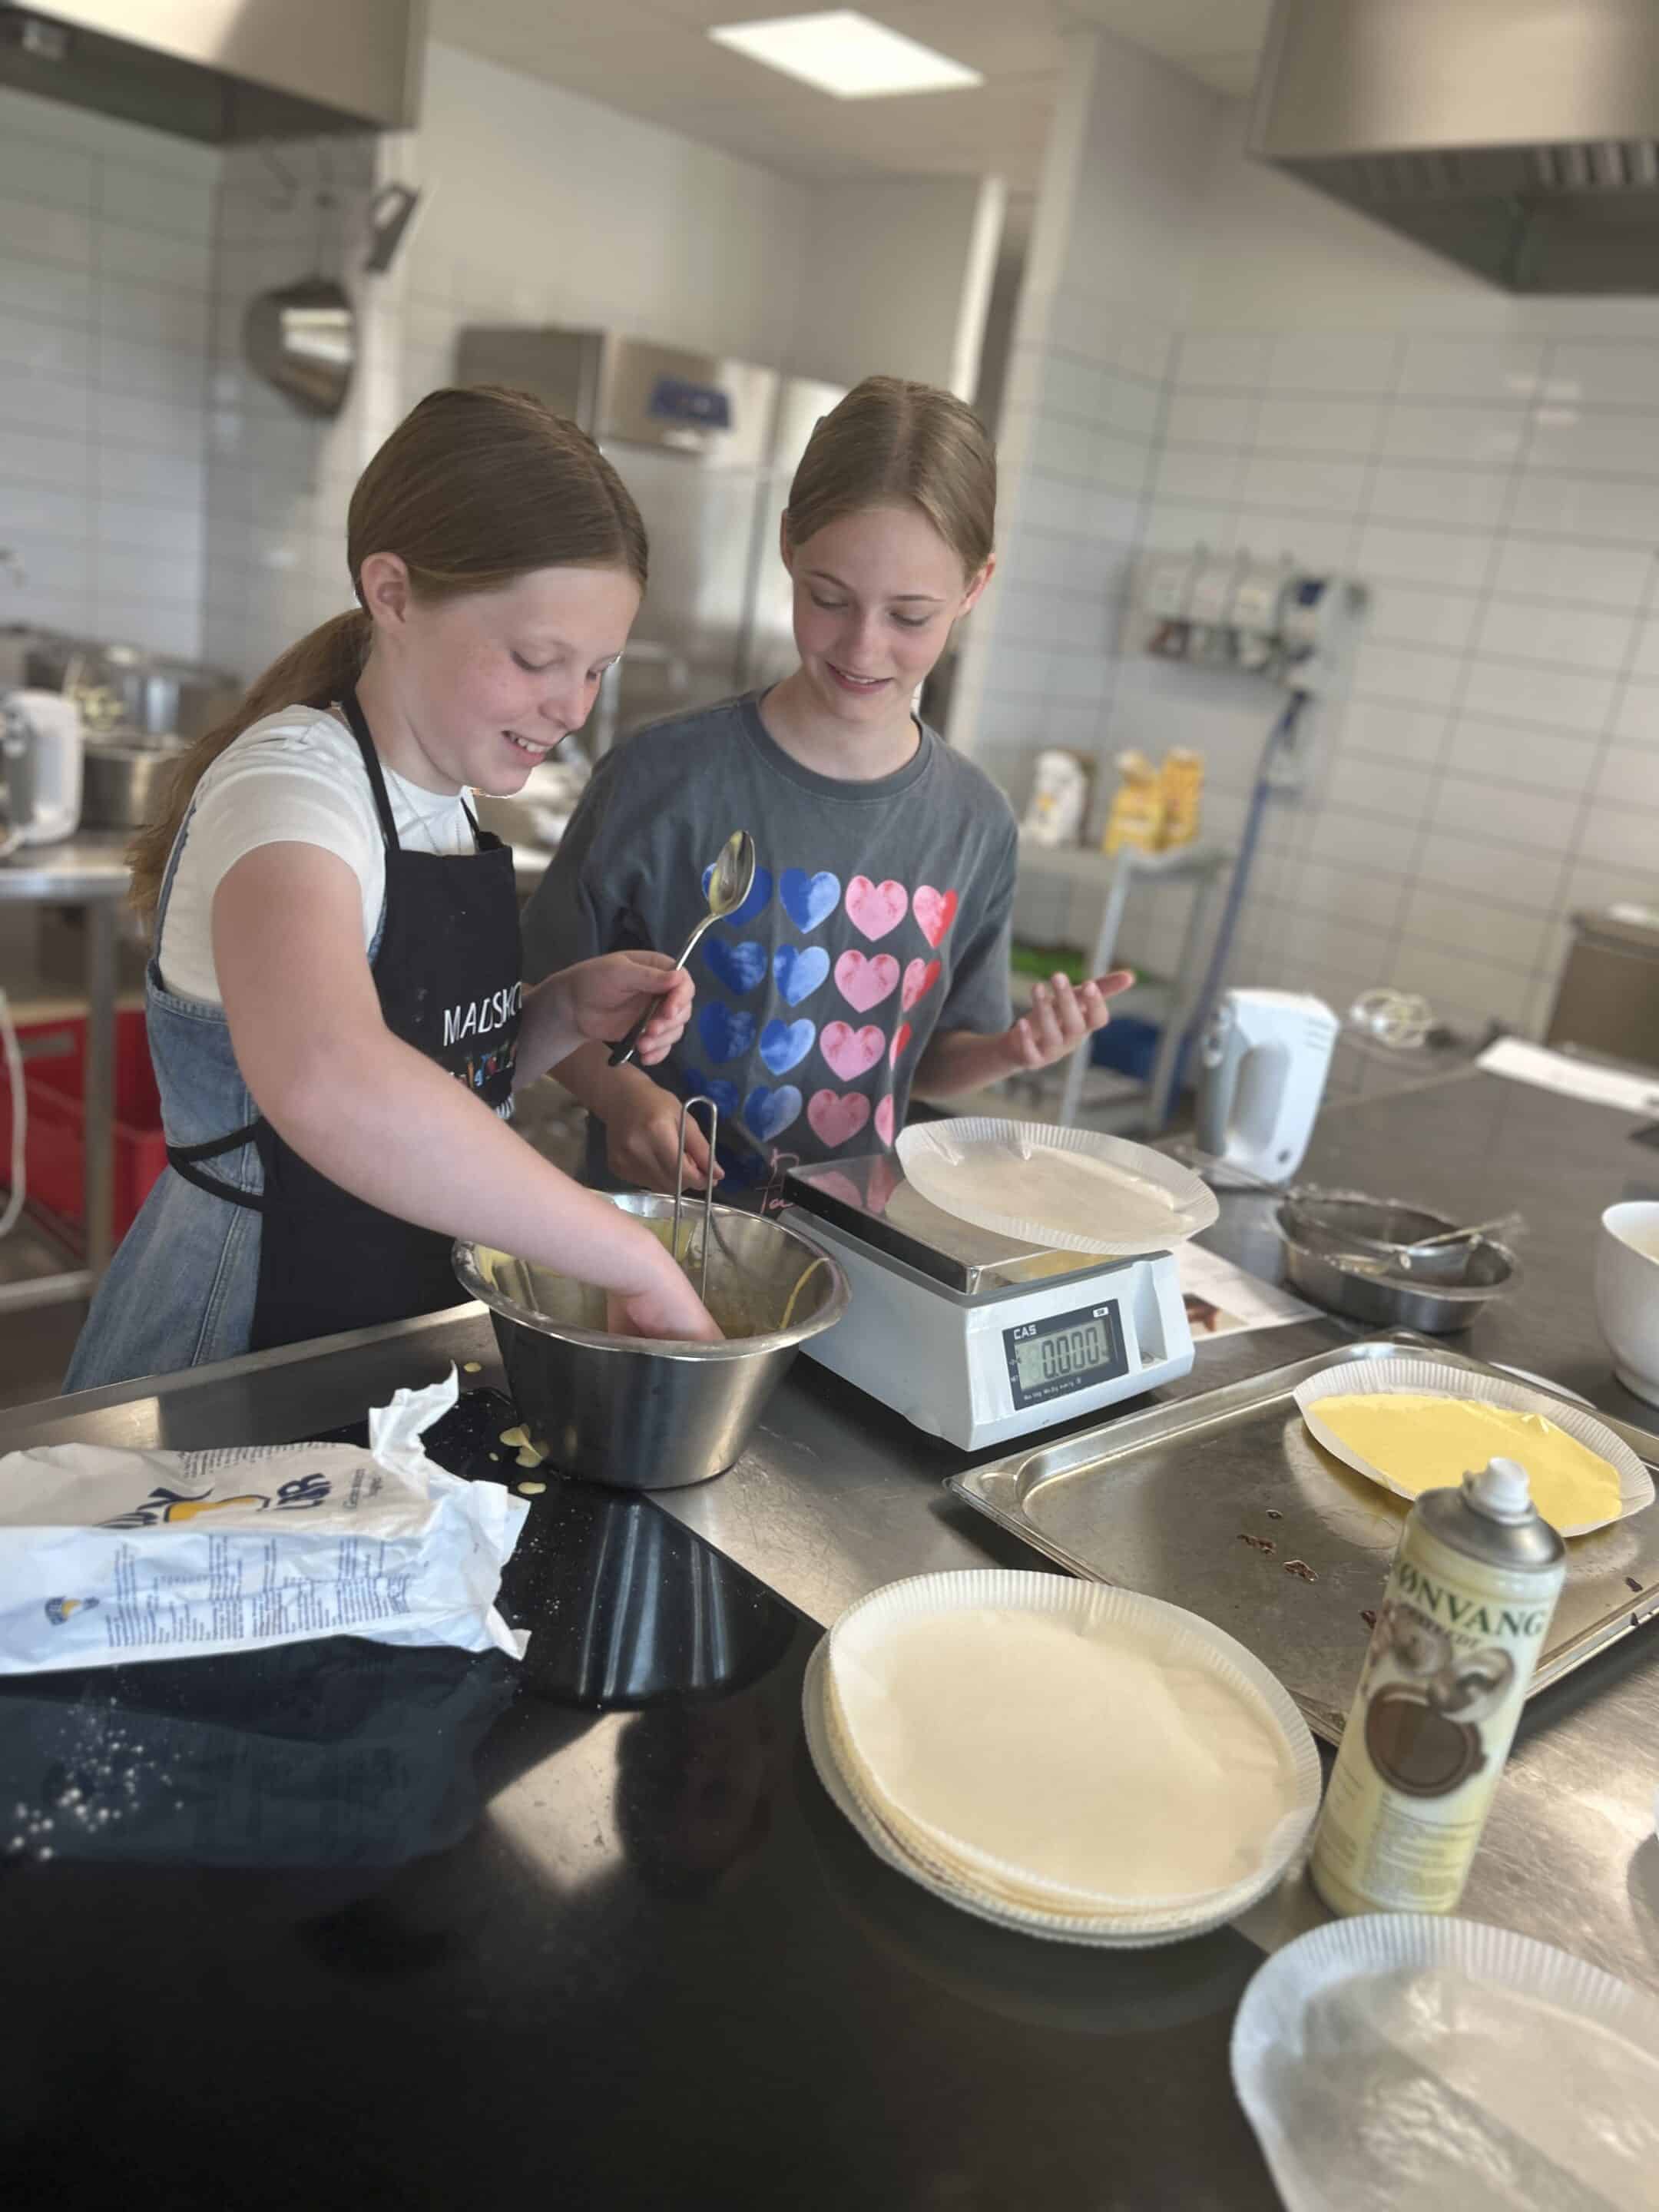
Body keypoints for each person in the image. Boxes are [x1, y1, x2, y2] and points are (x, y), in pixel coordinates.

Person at [65, 385, 719, 1393]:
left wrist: (554, 1016)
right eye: (538, 659)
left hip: (392, 1329)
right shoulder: (290, 791)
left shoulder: (445, 799)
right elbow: (329, 1078)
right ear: (395, 594)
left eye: (596, 670)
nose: (571, 709)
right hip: (238, 1354)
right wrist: (626, 1254)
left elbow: (430, 1080)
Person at [523, 374, 1130, 1196]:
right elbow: (533, 1006)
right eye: (829, 599)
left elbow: (922, 1060)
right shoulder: (662, 780)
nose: (863, 647)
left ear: (974, 589)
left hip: (851, 1245)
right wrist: (623, 1097)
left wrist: (1011, 1051)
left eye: (910, 617)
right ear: (788, 545)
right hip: (647, 1236)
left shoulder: (974, 824)